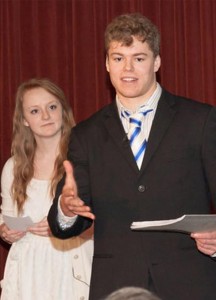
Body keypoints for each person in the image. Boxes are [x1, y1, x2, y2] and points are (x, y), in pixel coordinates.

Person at [48, 13, 216, 300]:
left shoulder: (199, 120)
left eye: (139, 58)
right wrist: (66, 209)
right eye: (118, 58)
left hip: (189, 282)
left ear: (157, 62)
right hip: (117, 285)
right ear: (106, 64)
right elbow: (72, 222)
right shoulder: (85, 135)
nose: (127, 68)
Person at [0, 78, 93, 300]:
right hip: (28, 271)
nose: (45, 116)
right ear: (23, 120)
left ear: (63, 110)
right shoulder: (14, 166)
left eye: (52, 107)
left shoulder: (84, 161)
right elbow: (10, 218)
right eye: (35, 111)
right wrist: (6, 231)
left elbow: (106, 219)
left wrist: (63, 226)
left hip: (73, 265)